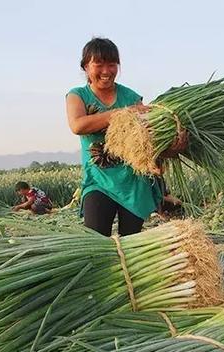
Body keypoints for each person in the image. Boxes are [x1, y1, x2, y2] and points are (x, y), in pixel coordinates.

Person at [65, 37, 162, 237]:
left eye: (112, 64)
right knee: (97, 241)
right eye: (98, 64)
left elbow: (148, 137)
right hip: (98, 181)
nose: (106, 71)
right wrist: (124, 113)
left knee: (131, 241)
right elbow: (78, 125)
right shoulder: (78, 95)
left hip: (133, 182)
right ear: (85, 67)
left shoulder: (131, 97)